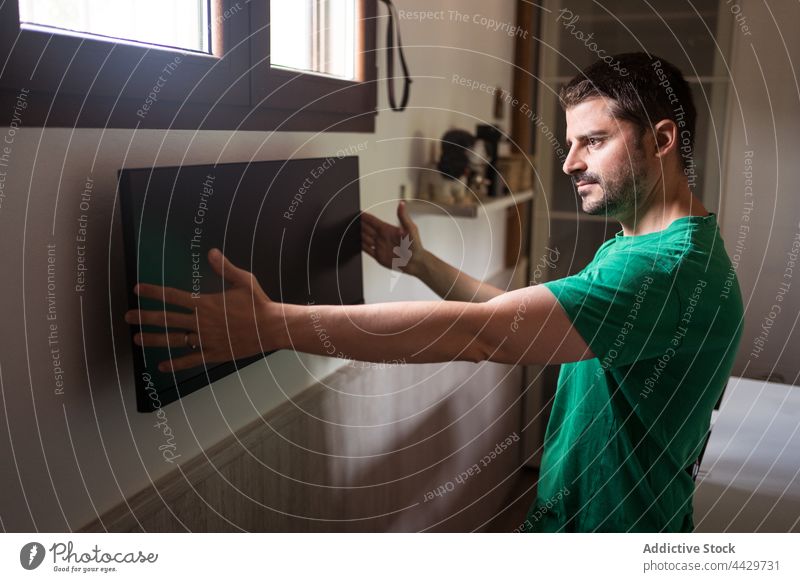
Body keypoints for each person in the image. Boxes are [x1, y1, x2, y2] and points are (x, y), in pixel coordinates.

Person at [125, 53, 743, 532]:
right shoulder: (636, 248)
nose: (569, 163)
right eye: (571, 142)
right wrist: (421, 264)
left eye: (594, 141)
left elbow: (486, 334)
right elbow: (504, 314)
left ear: (661, 141)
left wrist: (273, 324)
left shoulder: (665, 272)